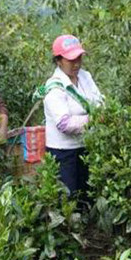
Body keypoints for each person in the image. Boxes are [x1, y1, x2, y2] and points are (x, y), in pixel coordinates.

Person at [41, 35, 103, 201]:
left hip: (85, 146)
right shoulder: (54, 88)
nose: (76, 63)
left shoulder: (85, 77)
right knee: (68, 198)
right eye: (71, 60)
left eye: (79, 58)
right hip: (63, 152)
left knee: (87, 195)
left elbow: (99, 101)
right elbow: (64, 123)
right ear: (59, 60)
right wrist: (95, 119)